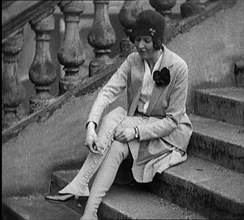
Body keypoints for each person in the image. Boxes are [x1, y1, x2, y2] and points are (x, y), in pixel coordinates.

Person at [46, 9, 193, 220]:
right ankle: (90, 213)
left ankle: (81, 182)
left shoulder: (179, 67)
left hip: (167, 134)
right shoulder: (133, 61)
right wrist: (91, 127)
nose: (140, 46)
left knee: (116, 117)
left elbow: (172, 121)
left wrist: (135, 131)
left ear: (158, 40)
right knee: (115, 140)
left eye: (146, 40)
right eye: (137, 40)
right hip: (135, 123)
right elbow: (107, 92)